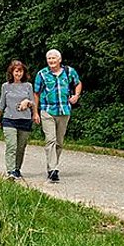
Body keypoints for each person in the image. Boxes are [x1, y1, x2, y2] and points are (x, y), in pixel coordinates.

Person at [33, 49, 82, 183]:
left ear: (59, 60)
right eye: (49, 59)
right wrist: (35, 112)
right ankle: (53, 170)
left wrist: (76, 96)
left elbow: (78, 83)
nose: (51, 61)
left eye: (54, 58)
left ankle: (53, 165)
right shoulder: (42, 74)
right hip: (47, 110)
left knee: (59, 142)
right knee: (50, 140)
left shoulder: (69, 72)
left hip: (64, 111)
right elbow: (36, 93)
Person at [0, 59, 37, 180]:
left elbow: (33, 102)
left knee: (21, 147)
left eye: (20, 72)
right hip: (9, 119)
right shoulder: (6, 86)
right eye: (16, 72)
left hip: (24, 120)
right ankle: (10, 171)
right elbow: (2, 103)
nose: (18, 74)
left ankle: (17, 169)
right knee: (11, 145)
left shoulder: (28, 86)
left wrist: (29, 105)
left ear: (24, 73)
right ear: (12, 73)